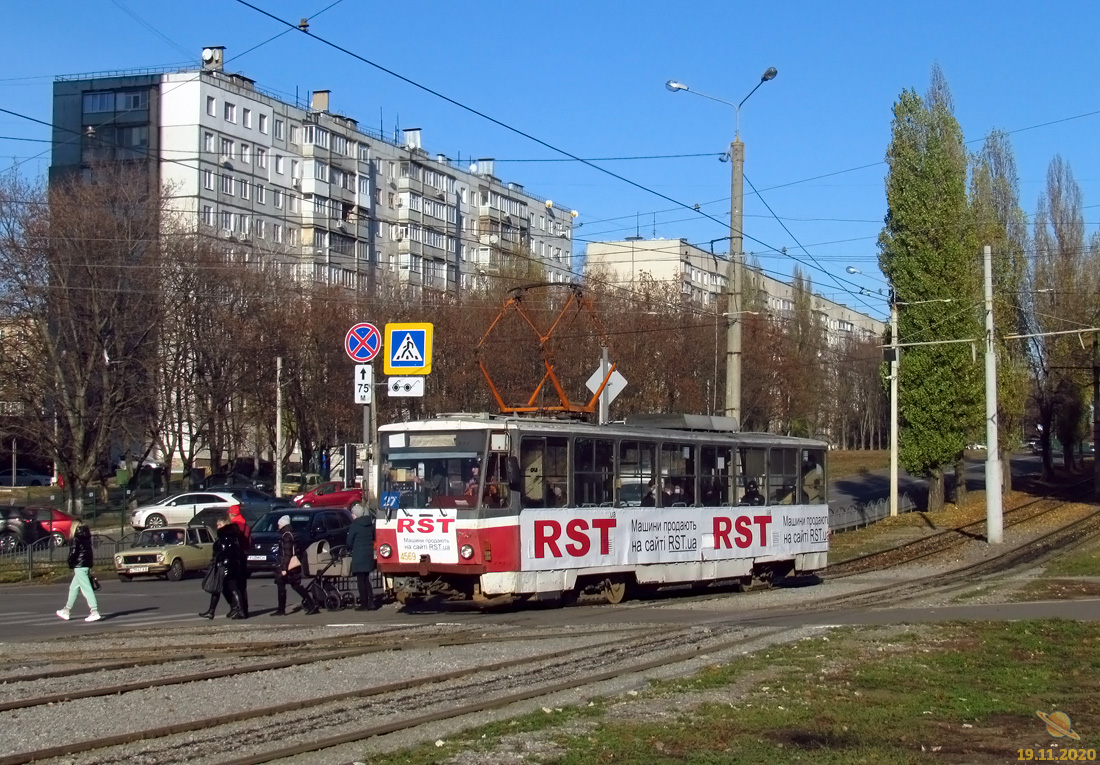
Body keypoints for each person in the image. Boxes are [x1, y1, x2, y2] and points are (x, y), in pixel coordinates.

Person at [200, 513, 245, 619]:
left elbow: (222, 551)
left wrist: (217, 560)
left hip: (225, 566)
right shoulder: (232, 535)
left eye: (219, 525)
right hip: (230, 565)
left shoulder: (225, 536)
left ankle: (238, 609)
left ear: (224, 525)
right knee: (222, 588)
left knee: (229, 588)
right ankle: (232, 609)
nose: (217, 527)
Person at [272, 515, 319, 616]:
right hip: (292, 566)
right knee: (291, 585)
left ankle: (310, 605)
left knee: (290, 585)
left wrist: (284, 568)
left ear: (283, 525)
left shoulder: (286, 536)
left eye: (279, 525)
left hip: (288, 567)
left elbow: (287, 553)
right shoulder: (291, 534)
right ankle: (282, 609)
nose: (278, 527)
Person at [57, 524, 101, 622]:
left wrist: (70, 562)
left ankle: (94, 611)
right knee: (73, 588)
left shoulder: (75, 539)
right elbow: (89, 553)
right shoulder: (87, 538)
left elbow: (73, 553)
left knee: (86, 589)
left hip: (79, 566)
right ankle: (66, 610)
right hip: (85, 565)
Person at [346, 504, 378, 611]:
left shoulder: (355, 525)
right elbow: (374, 538)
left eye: (353, 514)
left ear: (356, 515)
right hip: (368, 554)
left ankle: (364, 604)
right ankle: (371, 602)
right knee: (366, 580)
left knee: (361, 581)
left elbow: (349, 541)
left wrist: (349, 548)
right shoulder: (369, 524)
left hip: (359, 556)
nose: (352, 515)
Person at [227, 504, 250, 617]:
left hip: (236, 557)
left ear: (231, 514)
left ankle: (238, 609)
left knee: (234, 585)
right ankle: (245, 609)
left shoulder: (233, 526)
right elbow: (249, 541)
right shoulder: (246, 525)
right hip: (244, 555)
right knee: (242, 585)